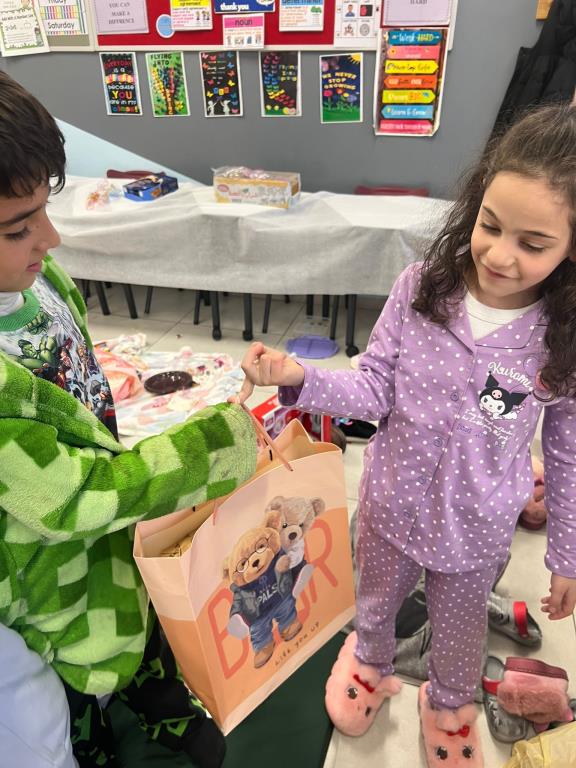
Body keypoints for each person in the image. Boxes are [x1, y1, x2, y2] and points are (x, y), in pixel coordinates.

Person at [234, 103, 576, 767]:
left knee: (458, 632)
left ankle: (448, 705)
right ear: (474, 204)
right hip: (389, 505)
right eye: (490, 225)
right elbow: (372, 390)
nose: (500, 255)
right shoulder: (421, 289)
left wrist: (565, 554)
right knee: (374, 603)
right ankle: (368, 665)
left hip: (476, 528)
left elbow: (564, 453)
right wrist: (299, 375)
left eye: (533, 244)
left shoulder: (558, 336)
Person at [0, 70, 257, 767]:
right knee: (79, 667)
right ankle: (93, 741)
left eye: (43, 211)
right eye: (19, 227)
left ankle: (162, 705)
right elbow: (73, 497)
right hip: (48, 572)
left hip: (114, 524)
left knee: (141, 620)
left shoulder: (39, 282)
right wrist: (214, 446)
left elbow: (82, 395)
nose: (51, 237)